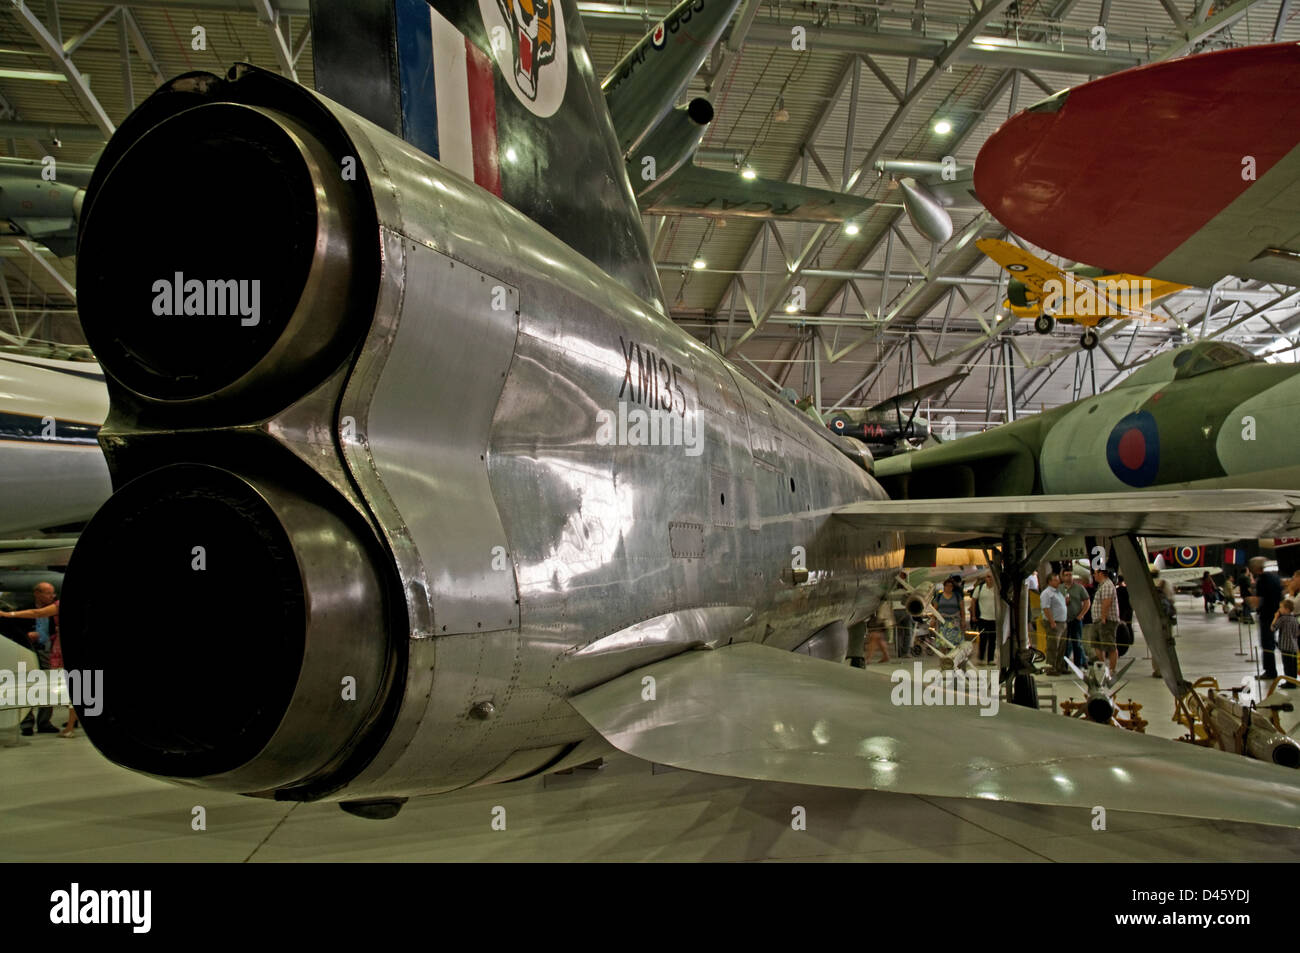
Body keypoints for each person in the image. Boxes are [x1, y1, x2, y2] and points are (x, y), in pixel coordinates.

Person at [0, 583, 72, 736]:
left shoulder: (55, 607)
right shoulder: (26, 609)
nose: (51, 596)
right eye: (48, 593)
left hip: (51, 650)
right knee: (28, 684)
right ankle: (28, 723)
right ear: (37, 593)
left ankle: (46, 721)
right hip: (32, 650)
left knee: (53, 685)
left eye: (53, 593)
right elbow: (32, 615)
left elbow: (38, 614)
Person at [1247, 556, 1282, 680]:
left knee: (1266, 644)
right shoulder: (1275, 577)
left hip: (1266, 616)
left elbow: (1259, 600)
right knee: (1272, 642)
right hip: (1277, 614)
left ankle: (1270, 671)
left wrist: (1251, 602)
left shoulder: (1262, 580)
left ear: (1255, 568)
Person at [1088, 567, 1119, 674]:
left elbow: (1107, 602)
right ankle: (1102, 666)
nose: (1094, 575)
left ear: (1101, 573)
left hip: (1106, 621)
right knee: (1096, 643)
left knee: (1109, 645)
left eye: (1095, 573)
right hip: (1097, 620)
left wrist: (1103, 617)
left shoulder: (1107, 585)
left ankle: (1112, 669)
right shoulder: (1101, 586)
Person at [1060, 568, 1090, 669]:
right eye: (1067, 575)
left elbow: (1087, 602)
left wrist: (1081, 615)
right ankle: (1064, 664)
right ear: (1063, 577)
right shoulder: (1060, 588)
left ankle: (1079, 663)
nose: (1069, 577)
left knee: (1077, 642)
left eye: (1070, 575)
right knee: (1065, 644)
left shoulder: (1079, 588)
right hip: (1063, 620)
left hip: (1076, 619)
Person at [1039, 571, 1067, 675]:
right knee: (1053, 646)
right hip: (1054, 623)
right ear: (1049, 581)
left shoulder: (1058, 592)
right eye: (1055, 580)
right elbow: (1046, 608)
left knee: (1061, 647)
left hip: (1062, 623)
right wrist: (1051, 621)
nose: (1058, 581)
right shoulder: (1047, 593)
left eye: (1058, 579)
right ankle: (1051, 667)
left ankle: (1059, 666)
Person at [972, 571, 998, 665]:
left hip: (994, 618)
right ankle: (981, 658)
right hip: (983, 618)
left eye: (991, 577)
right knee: (983, 639)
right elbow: (973, 601)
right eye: (988, 577)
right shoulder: (980, 588)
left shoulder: (997, 589)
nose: (990, 579)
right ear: (985, 578)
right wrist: (974, 615)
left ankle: (990, 659)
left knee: (992, 640)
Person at [931, 577, 965, 644]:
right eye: (947, 586)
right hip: (942, 623)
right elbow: (935, 609)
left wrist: (963, 620)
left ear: (953, 587)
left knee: (953, 644)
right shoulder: (939, 596)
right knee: (942, 643)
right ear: (944, 586)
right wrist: (933, 619)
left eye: (951, 586)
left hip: (954, 622)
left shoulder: (957, 596)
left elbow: (962, 609)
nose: (949, 587)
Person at [1272, 598, 1299, 686]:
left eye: (1281, 607)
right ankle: (1293, 681)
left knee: (1287, 665)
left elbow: (1273, 628)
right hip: (1294, 646)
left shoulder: (1282, 619)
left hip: (1285, 646)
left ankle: (1288, 682)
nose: (1279, 609)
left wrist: (1275, 617)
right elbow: (1297, 632)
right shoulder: (1295, 619)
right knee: (1293, 665)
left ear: (1286, 609)